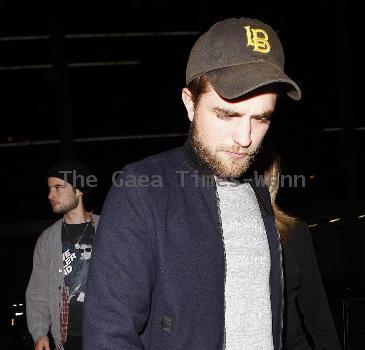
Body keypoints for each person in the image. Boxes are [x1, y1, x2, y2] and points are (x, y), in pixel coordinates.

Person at [84, 17, 301, 350]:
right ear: (189, 103)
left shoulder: (258, 190)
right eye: (227, 115)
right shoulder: (140, 189)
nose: (244, 139)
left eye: (260, 118)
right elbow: (109, 336)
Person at [260, 147, 342, 349]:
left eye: (266, 167)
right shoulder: (217, 234)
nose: (260, 174)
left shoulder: (295, 232)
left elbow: (315, 305)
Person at [26, 161, 99, 350]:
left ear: (79, 190)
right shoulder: (47, 239)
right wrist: (40, 333)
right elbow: (38, 290)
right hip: (68, 339)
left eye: (58, 187)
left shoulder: (108, 229)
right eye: (50, 189)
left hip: (107, 332)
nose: (50, 195)